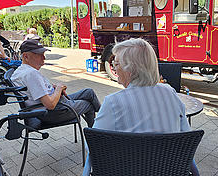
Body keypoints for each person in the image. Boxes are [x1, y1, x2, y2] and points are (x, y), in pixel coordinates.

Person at [83, 38, 199, 176]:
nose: (114, 67)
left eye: (116, 63)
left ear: (130, 69)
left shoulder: (113, 103)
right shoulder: (170, 93)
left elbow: (92, 146)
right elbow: (185, 137)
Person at [11, 39, 101, 127]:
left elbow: (35, 91)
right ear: (26, 57)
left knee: (88, 92)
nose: (44, 58)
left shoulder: (21, 71)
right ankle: (95, 134)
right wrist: (58, 88)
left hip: (52, 105)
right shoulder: (30, 74)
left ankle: (104, 116)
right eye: (39, 55)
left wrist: (53, 89)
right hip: (53, 112)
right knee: (88, 105)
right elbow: (50, 105)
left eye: (43, 54)